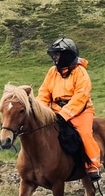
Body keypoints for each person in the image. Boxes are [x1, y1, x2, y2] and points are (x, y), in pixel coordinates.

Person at [38, 37, 101, 182]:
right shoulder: (52, 71)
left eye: (57, 55)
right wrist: (40, 111)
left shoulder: (81, 72)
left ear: (67, 55)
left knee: (84, 133)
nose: (55, 58)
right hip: (56, 110)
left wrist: (65, 114)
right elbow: (44, 93)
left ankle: (92, 165)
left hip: (81, 111)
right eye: (54, 55)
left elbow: (81, 96)